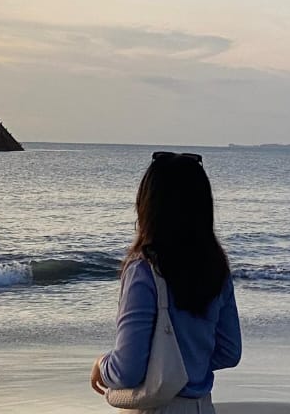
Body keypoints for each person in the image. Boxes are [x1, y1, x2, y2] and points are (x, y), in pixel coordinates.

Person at [91, 151, 242, 413]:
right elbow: (229, 351)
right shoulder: (216, 267)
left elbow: (127, 369)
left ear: (148, 205)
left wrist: (101, 366)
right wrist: (188, 363)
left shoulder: (144, 270)